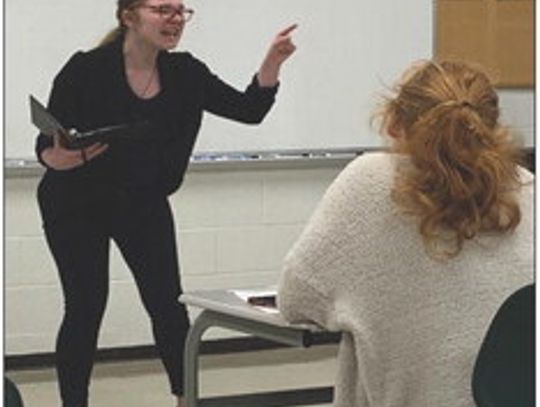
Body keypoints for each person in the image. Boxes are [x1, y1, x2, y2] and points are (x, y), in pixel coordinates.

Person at [35, 1, 296, 406]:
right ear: (129, 17)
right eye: (162, 10)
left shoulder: (186, 73)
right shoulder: (85, 68)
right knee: (86, 305)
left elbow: (250, 110)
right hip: (75, 200)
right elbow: (46, 144)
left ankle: (184, 398)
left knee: (167, 305)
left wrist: (273, 61)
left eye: (180, 11)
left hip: (141, 200)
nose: (175, 19)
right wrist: (56, 157)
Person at [277, 61, 533, 407]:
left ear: (396, 123)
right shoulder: (527, 187)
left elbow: (296, 299)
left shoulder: (370, 182)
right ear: (490, 126)